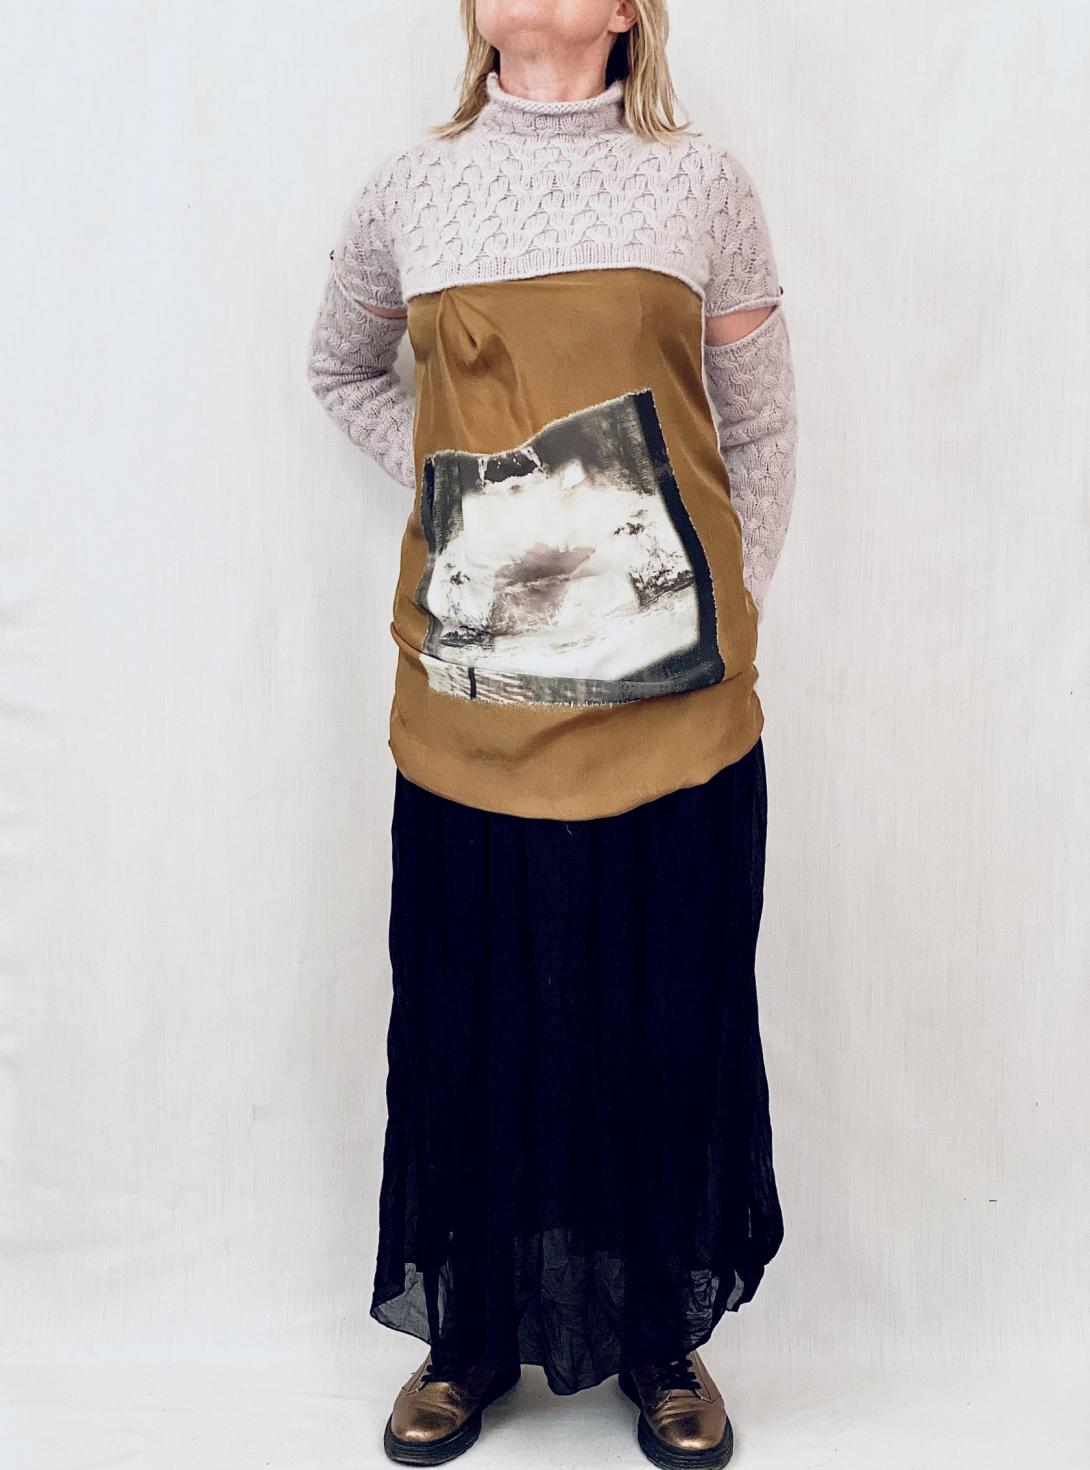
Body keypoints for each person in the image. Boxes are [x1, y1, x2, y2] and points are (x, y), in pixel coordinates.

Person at [305, 2, 797, 1464]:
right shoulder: (411, 188)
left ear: (632, 8)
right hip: (472, 701)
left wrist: (731, 591)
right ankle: (465, 1335)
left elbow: (760, 424)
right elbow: (340, 368)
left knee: (664, 1013)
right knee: (472, 1015)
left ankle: (659, 1335)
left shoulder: (699, 181)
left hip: (672, 701)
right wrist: (472, 499)